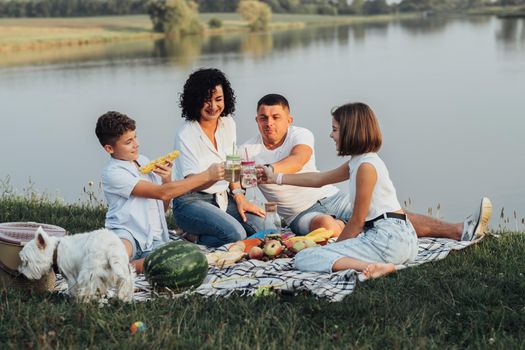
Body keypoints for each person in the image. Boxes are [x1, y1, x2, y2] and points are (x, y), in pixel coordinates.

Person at [241, 94, 492, 241]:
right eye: (263, 118)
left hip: (330, 196)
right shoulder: (246, 151)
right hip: (298, 214)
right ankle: (354, 237)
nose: (269, 123)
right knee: (327, 227)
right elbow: (235, 177)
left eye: (276, 117)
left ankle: (460, 230)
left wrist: (271, 171)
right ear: (256, 120)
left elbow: (298, 160)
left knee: (391, 214)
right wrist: (239, 191)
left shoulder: (300, 134)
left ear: (288, 119)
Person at [260, 102, 418, 277]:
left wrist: (335, 249)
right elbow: (319, 179)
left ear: (350, 131)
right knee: (323, 251)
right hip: (403, 240)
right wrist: (276, 177)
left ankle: (373, 266)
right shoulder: (361, 161)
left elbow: (357, 221)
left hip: (388, 241)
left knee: (305, 257)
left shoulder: (365, 167)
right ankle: (379, 264)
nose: (331, 135)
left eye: (335, 130)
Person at [95, 111, 224, 273]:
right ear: (109, 148)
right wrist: (207, 175)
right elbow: (162, 193)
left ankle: (128, 268)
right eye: (128, 142)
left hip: (154, 238)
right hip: (126, 232)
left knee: (177, 262)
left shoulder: (143, 161)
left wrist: (166, 179)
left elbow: (161, 206)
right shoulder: (113, 173)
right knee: (119, 252)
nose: (136, 144)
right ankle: (118, 267)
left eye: (135, 137)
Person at [171, 68, 265, 247]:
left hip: (223, 198)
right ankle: (192, 236)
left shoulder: (228, 123)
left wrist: (239, 196)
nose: (213, 106)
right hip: (190, 201)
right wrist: (211, 175)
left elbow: (232, 161)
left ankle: (215, 231)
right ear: (195, 101)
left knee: (265, 226)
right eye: (206, 100)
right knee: (236, 235)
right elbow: (192, 183)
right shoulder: (186, 134)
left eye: (218, 99)